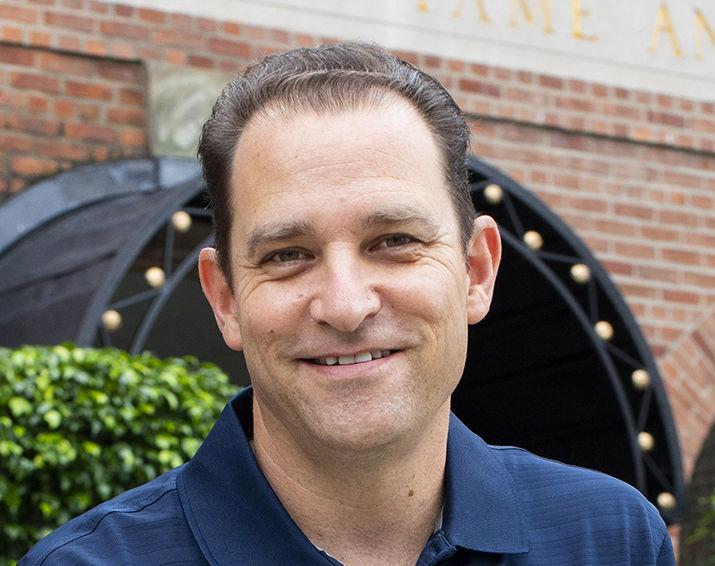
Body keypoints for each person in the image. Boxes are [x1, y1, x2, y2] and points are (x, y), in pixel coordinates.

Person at [22, 42, 675, 566]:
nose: (345, 305)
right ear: (224, 299)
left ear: (476, 270)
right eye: (287, 254)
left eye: (394, 242)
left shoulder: (607, 539)